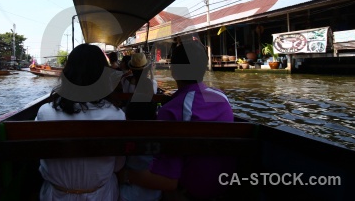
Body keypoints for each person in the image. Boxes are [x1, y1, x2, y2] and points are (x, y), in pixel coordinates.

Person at [119, 39, 234, 200]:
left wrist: (125, 175)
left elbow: (168, 182)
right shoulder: (222, 98)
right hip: (224, 189)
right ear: (204, 68)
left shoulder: (172, 110)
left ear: (173, 71)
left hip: (190, 192)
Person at [35, 43, 126, 201]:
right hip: (102, 195)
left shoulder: (45, 112)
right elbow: (118, 166)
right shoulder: (117, 115)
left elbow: (39, 157)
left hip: (56, 195)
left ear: (67, 74)